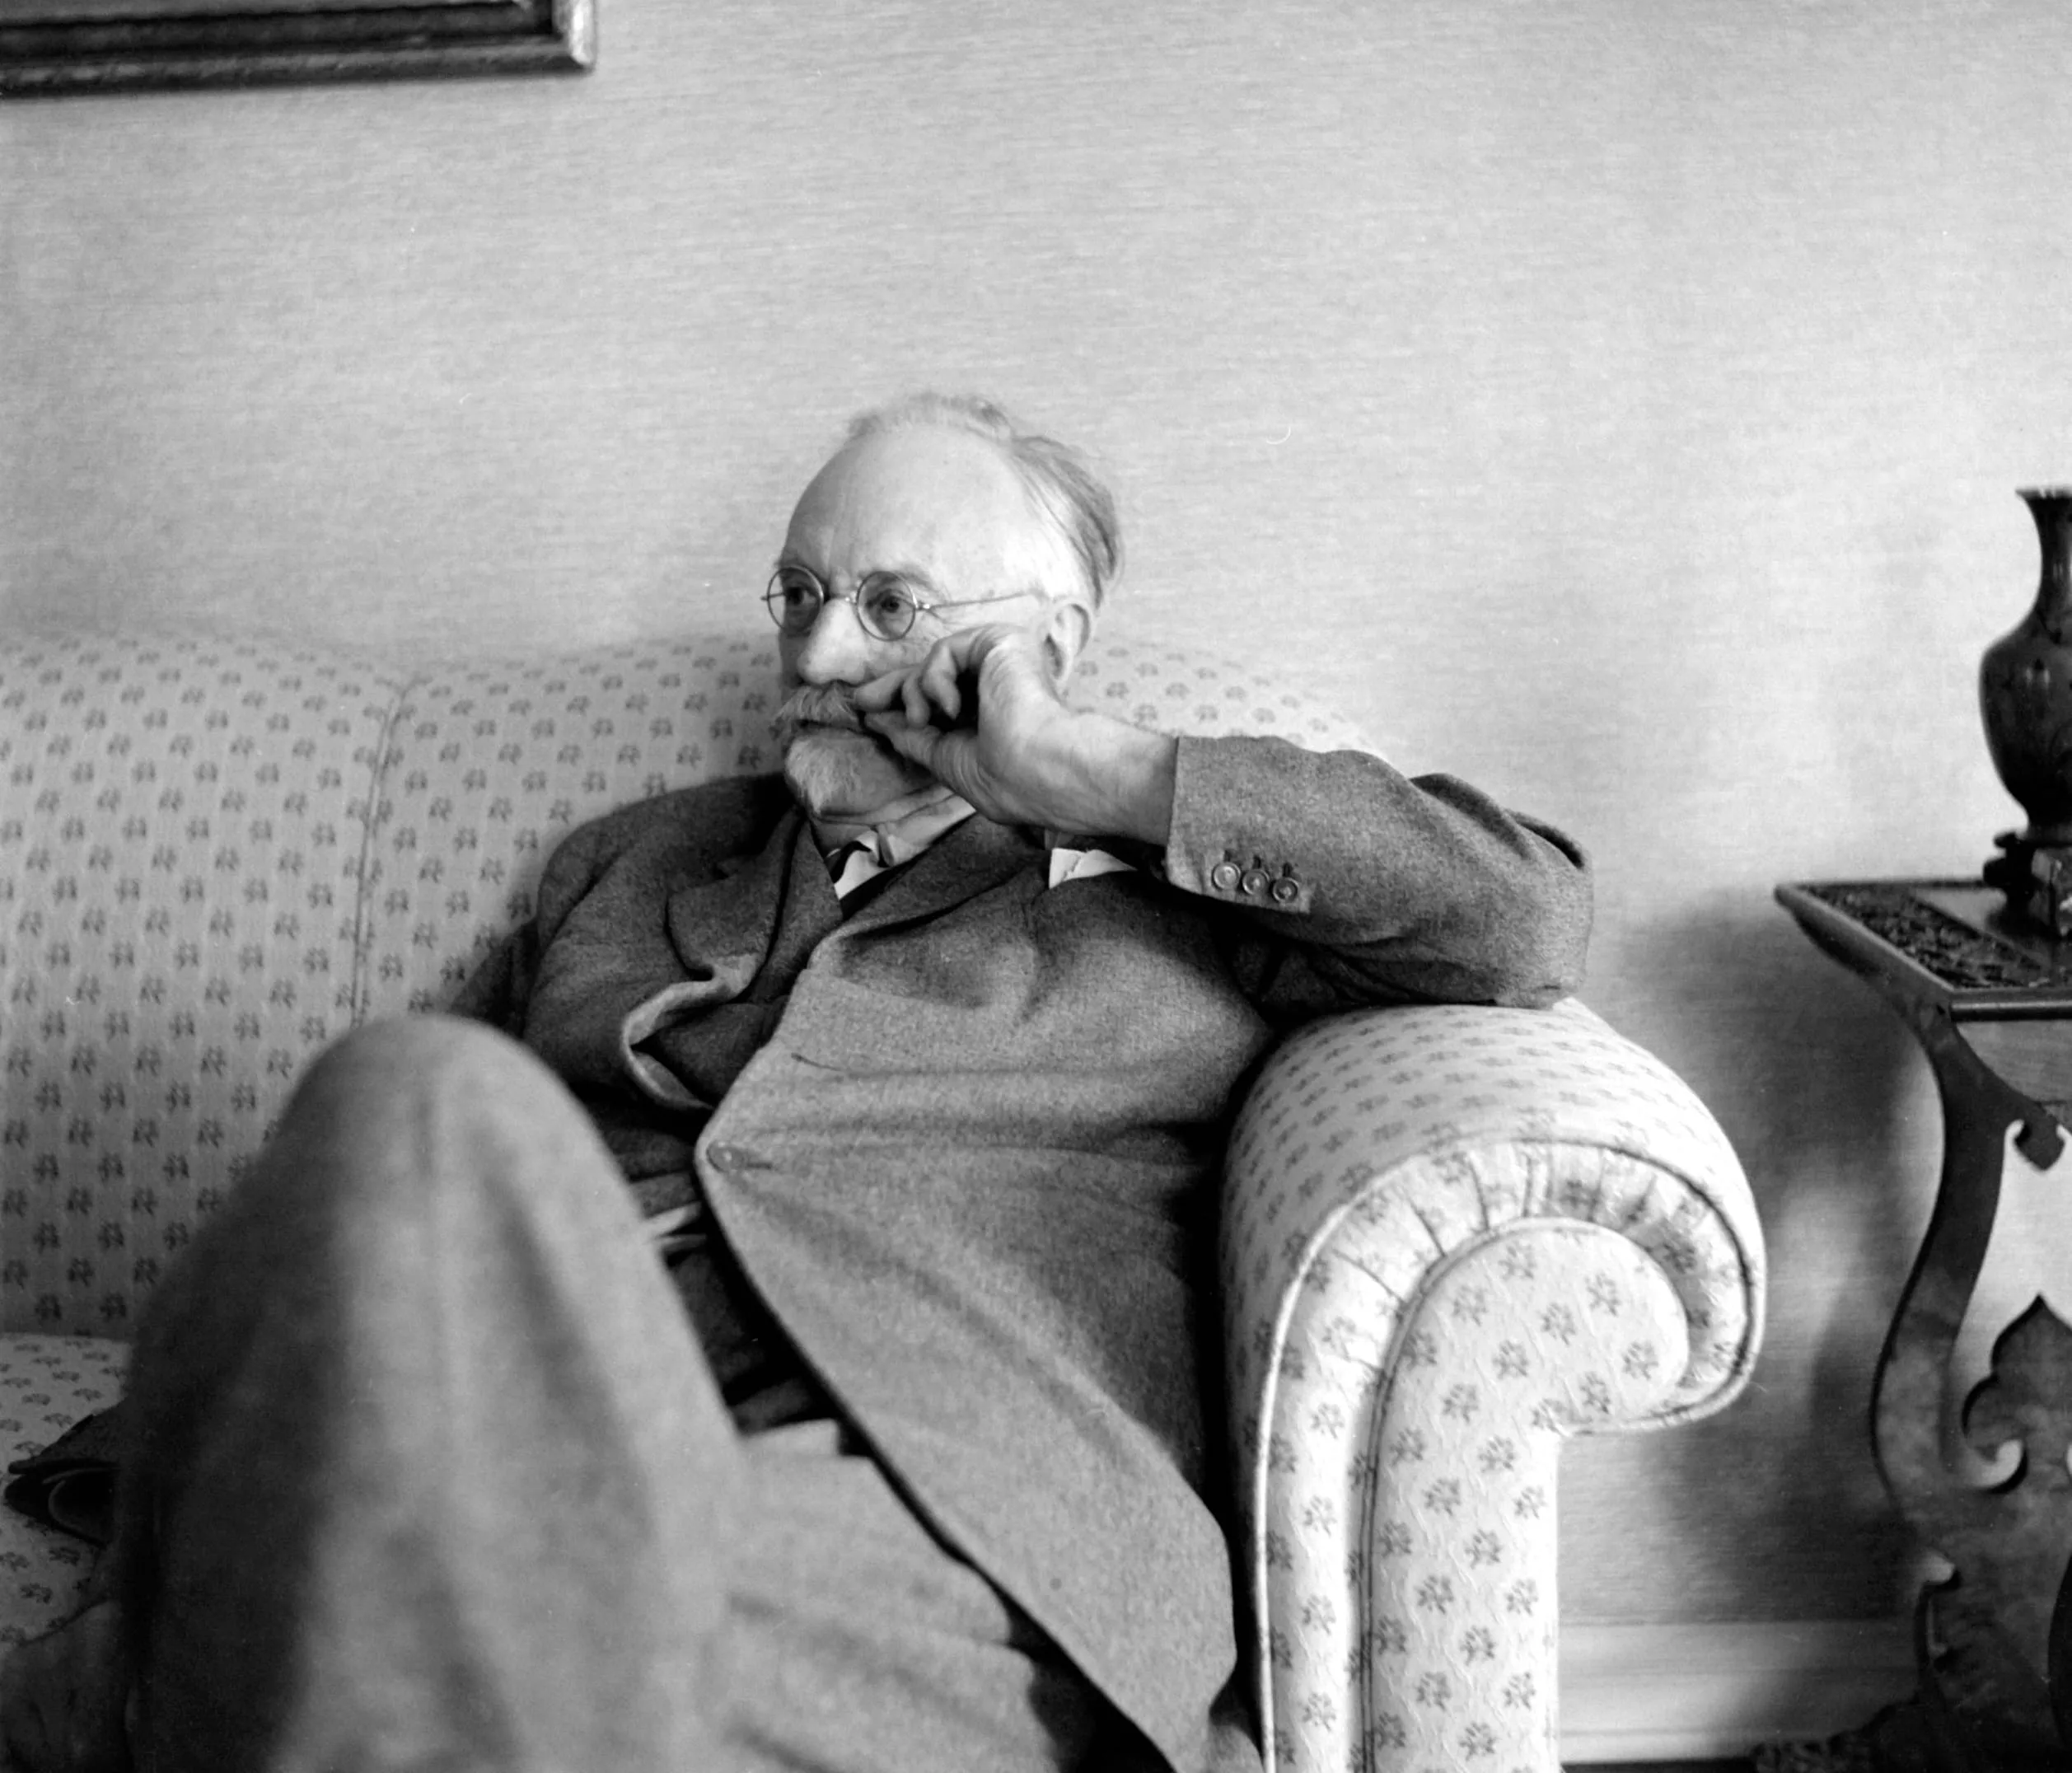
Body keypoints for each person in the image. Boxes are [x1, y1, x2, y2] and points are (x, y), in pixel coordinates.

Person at [0, 392, 1592, 1773]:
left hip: (929, 1485)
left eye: (892, 606)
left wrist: (1084, 773)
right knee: (406, 1095)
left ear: (1044, 648)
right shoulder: (633, 861)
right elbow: (372, 1237)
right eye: (800, 594)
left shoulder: (1178, 897)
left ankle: (173, 1692)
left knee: (479, 1624)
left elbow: (1522, 920)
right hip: (538, 1408)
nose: (817, 656)